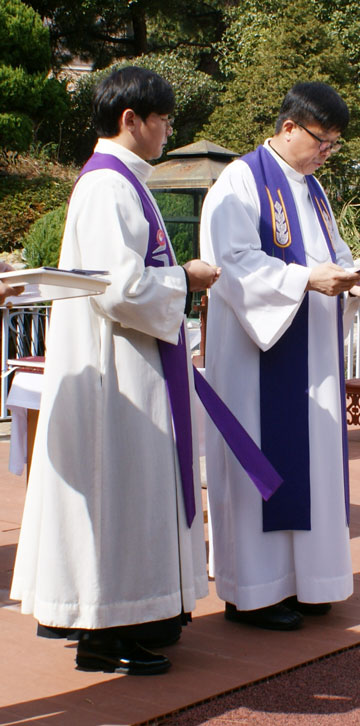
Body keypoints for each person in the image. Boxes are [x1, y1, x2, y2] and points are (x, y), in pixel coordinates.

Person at [10, 66, 221, 675]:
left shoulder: (127, 183)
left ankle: (145, 613)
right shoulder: (105, 188)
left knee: (137, 496)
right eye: (163, 120)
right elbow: (118, 288)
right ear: (131, 121)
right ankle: (106, 631)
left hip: (135, 360)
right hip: (116, 370)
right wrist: (186, 277)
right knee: (120, 496)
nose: (168, 131)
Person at [200, 82, 360, 631]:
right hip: (261, 361)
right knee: (264, 466)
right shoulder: (241, 180)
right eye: (322, 140)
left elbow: (333, 257)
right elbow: (229, 261)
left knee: (315, 468)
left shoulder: (314, 191)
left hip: (312, 358)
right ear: (288, 128)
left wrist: (356, 278)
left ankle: (309, 581)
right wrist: (305, 279)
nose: (327, 152)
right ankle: (254, 593)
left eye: (334, 145)